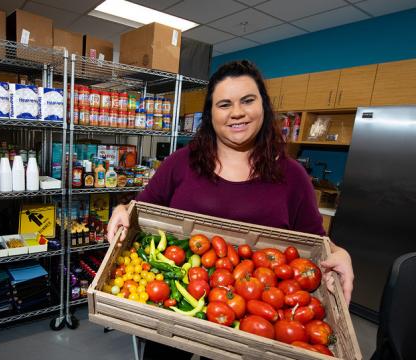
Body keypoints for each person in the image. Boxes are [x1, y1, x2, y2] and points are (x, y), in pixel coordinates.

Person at [107, 60, 354, 359]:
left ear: (263, 105)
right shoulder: (180, 163)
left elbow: (316, 243)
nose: (237, 112)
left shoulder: (292, 176)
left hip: (253, 325)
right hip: (175, 312)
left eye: (247, 100)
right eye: (224, 104)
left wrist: (339, 253)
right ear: (211, 114)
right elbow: (142, 207)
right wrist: (122, 208)